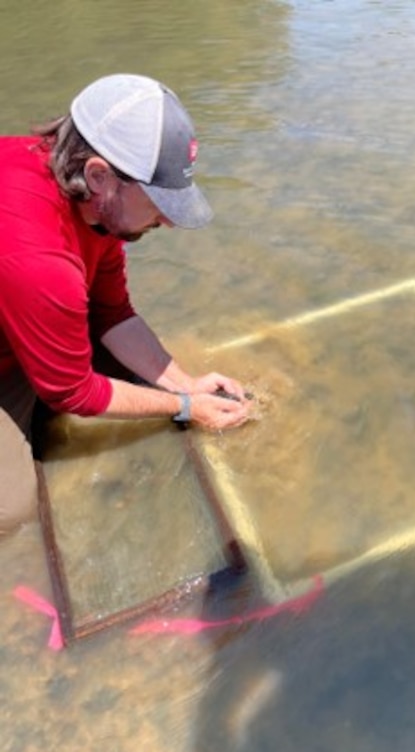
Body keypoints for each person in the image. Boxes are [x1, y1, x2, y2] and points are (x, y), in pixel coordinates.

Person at [0, 74, 252, 534]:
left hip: (22, 313)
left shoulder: (96, 207)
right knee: (11, 512)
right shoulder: (40, 259)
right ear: (99, 175)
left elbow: (112, 314)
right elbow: (72, 392)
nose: (170, 223)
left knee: (125, 370)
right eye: (159, 202)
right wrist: (181, 408)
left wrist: (187, 385)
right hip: (18, 320)